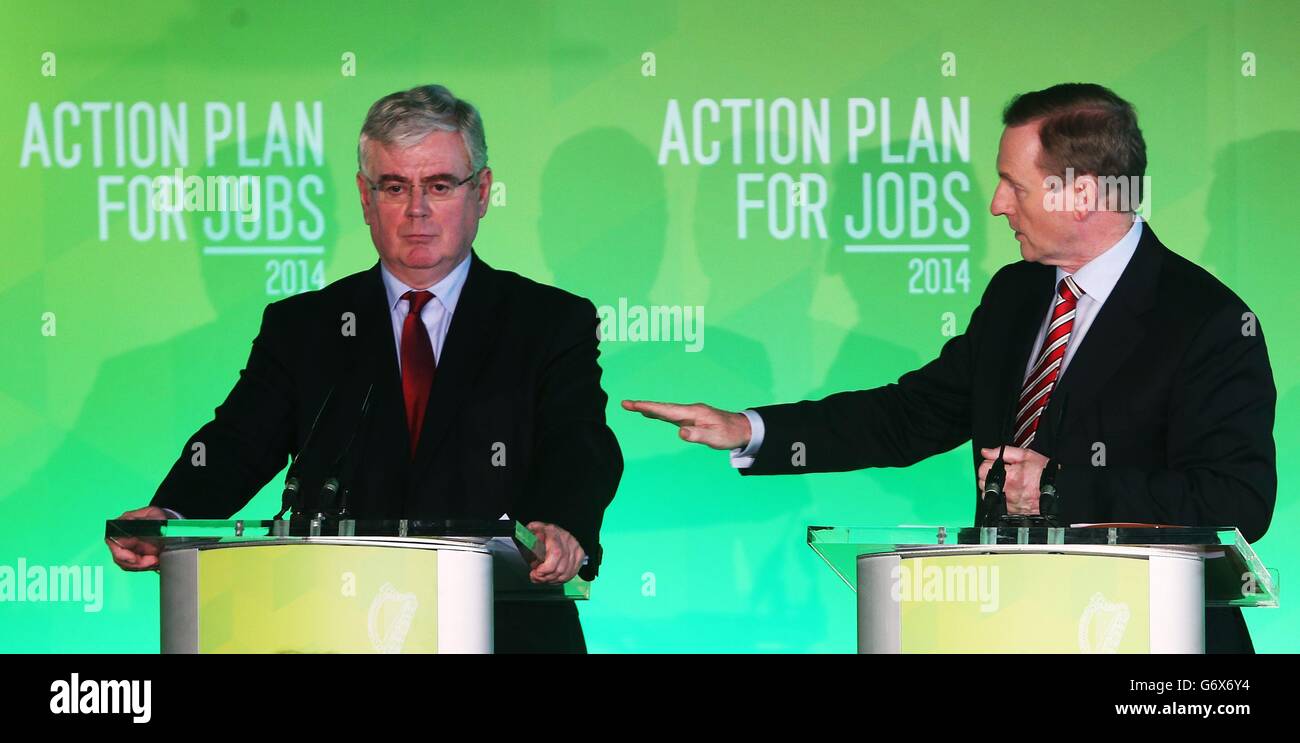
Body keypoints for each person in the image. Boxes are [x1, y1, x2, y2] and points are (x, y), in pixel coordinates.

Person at [625, 83, 1275, 653]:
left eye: (1013, 185)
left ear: (1081, 195)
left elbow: (1237, 501)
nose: (996, 204)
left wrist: (1062, 491)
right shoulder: (1016, 297)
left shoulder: (1208, 323)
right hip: (1004, 632)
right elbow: (906, 418)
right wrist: (748, 428)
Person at [106, 84, 623, 653]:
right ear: (364, 196)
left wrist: (559, 524)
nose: (417, 210)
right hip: (336, 627)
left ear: (481, 192)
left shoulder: (548, 321)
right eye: (395, 187)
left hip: (509, 629)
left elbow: (581, 445)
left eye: (440, 186)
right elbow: (237, 442)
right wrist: (174, 513)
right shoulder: (305, 326)